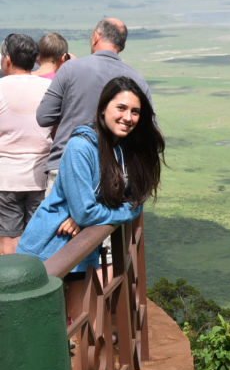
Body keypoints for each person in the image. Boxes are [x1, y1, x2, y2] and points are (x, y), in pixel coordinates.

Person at [16, 76, 165, 271]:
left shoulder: (120, 148)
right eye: (121, 108)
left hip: (79, 251)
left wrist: (89, 215)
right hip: (47, 251)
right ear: (103, 109)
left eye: (135, 112)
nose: (128, 118)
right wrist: (117, 212)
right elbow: (86, 213)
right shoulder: (80, 148)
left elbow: (136, 199)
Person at [36, 18, 153, 196]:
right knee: (105, 223)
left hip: (65, 166)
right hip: (114, 172)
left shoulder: (70, 69)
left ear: (95, 37)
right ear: (122, 46)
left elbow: (44, 117)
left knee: (57, 222)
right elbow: (149, 131)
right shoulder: (137, 79)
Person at [0, 34, 52, 254]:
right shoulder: (49, 87)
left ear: (8, 60)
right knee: (38, 239)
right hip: (41, 175)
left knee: (9, 241)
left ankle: (14, 287)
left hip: (6, 178)